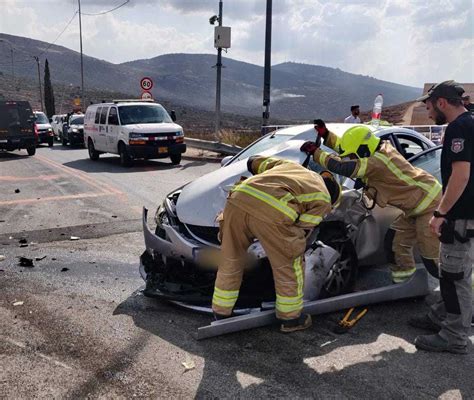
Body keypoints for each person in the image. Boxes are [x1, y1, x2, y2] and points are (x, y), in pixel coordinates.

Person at [300, 120, 441, 284]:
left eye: (354, 156)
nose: (352, 158)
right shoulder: (373, 149)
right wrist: (326, 135)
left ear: (363, 150)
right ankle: (406, 283)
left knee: (432, 257)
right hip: (415, 207)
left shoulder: (379, 162)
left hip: (429, 205)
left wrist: (316, 153)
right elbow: (348, 148)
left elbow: (342, 166)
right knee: (395, 243)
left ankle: (460, 291)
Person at [212, 156, 341, 332]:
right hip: (273, 213)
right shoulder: (324, 198)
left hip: (237, 200)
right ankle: (291, 319)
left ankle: (221, 313)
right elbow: (303, 228)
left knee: (230, 258)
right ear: (333, 195)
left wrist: (253, 163)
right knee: (289, 264)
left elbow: (256, 162)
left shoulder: (291, 166)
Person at [410, 80, 474, 354]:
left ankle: (455, 335)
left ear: (442, 103)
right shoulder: (470, 122)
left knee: (454, 276)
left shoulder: (459, 128)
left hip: (460, 216)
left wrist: (440, 212)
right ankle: (440, 316)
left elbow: (461, 175)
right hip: (467, 214)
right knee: (454, 273)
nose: (427, 111)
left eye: (428, 105)